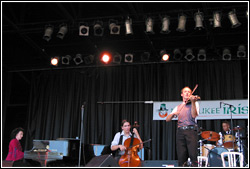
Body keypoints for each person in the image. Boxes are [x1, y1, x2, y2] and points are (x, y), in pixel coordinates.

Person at [166, 86, 200, 167]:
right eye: (185, 91)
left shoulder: (195, 103)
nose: (187, 93)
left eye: (189, 92)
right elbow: (167, 119)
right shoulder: (178, 107)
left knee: (193, 155)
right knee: (181, 156)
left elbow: (194, 115)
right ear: (182, 94)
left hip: (191, 131)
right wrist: (174, 114)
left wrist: (192, 102)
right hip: (180, 132)